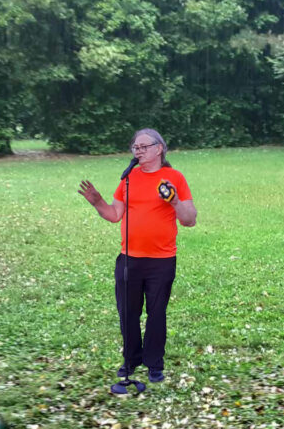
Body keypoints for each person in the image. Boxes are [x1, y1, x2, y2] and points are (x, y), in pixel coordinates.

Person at [78, 128, 196, 385]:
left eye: (143, 146)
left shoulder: (174, 177)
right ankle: (130, 360)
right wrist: (97, 201)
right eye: (135, 147)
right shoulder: (129, 178)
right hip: (129, 259)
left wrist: (175, 201)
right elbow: (113, 214)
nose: (138, 151)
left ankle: (154, 364)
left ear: (159, 149)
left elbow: (190, 220)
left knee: (156, 314)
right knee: (128, 313)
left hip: (161, 260)